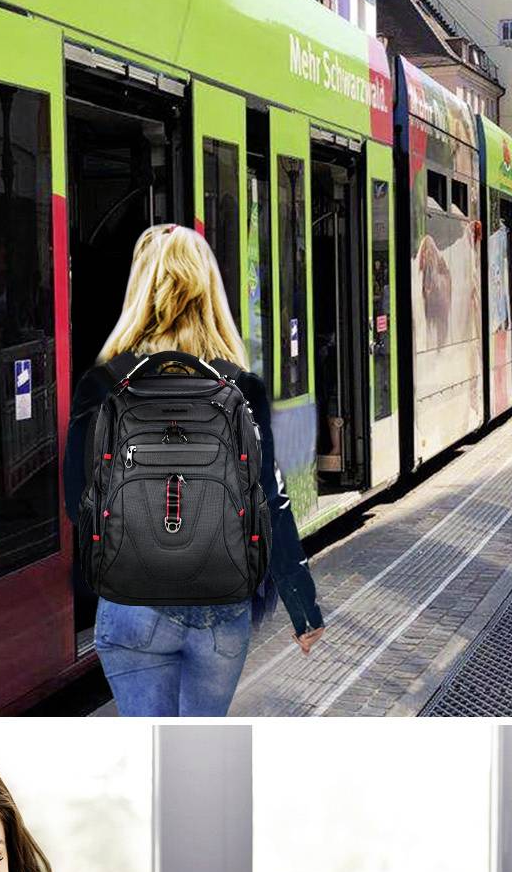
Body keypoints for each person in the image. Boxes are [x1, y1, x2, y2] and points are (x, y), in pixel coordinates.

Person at [63, 223, 325, 716]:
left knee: (154, 751)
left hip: (132, 605)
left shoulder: (102, 383)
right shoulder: (240, 386)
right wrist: (303, 607)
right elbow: (270, 502)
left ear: (140, 291)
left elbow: (78, 503)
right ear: (209, 294)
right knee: (196, 750)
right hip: (219, 606)